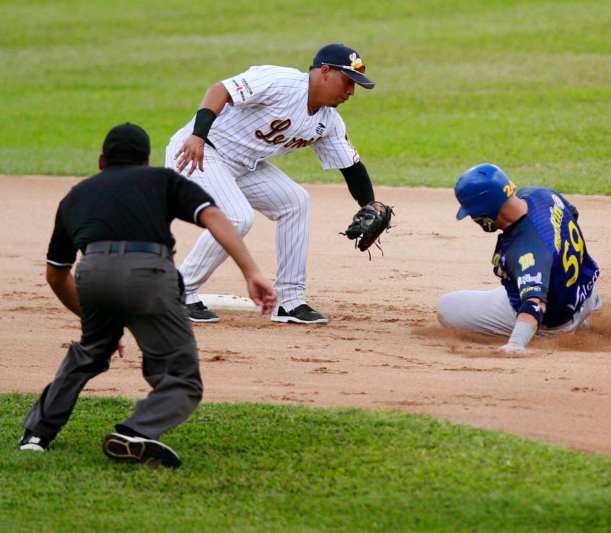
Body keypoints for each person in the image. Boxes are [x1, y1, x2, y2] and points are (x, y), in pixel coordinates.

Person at [18, 123, 277, 468]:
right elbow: (214, 215)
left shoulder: (76, 195)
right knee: (181, 375)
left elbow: (55, 273)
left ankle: (36, 436)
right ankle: (136, 431)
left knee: (90, 352)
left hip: (92, 274)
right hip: (148, 276)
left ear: (101, 162)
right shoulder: (161, 179)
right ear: (146, 160)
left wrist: (88, 314)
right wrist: (251, 271)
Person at [166, 43, 385, 325]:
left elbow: (351, 167)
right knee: (237, 217)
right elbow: (219, 90)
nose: (350, 92)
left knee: (295, 202)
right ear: (325, 72)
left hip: (244, 166)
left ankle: (290, 301)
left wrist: (370, 203)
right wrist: (197, 135)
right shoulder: (280, 82)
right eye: (347, 82)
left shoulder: (328, 122)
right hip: (198, 151)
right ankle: (179, 290)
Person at [437, 163, 602, 353]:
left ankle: (555, 331)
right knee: (536, 276)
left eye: (473, 213)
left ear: (486, 211)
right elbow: (572, 214)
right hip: (586, 294)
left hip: (554, 320)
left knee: (447, 307)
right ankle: (588, 311)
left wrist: (515, 344)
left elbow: (535, 303)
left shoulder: (527, 251)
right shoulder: (542, 195)